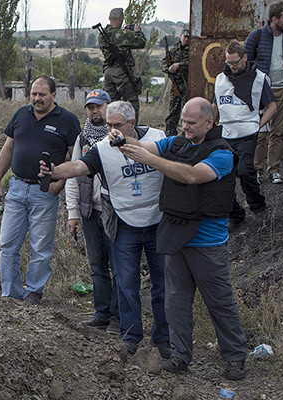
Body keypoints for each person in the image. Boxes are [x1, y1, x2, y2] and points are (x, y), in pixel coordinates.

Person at [114, 97, 248, 381]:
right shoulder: (175, 143)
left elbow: (192, 176)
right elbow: (144, 146)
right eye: (183, 121)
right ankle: (180, 356)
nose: (184, 127)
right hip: (175, 235)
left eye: (191, 122)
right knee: (175, 302)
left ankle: (235, 358)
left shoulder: (222, 154)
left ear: (209, 123)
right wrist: (123, 139)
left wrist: (150, 160)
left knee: (220, 303)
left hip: (208, 243)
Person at [39, 101, 170, 358]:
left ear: (132, 123)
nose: (112, 131)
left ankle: (163, 338)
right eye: (109, 125)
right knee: (126, 282)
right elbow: (79, 166)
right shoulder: (103, 148)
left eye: (117, 125)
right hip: (124, 222)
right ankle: (130, 335)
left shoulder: (157, 139)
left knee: (162, 283)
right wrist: (55, 171)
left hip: (157, 220)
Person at [0, 76, 81, 305]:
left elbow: (76, 158)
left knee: (40, 246)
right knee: (7, 243)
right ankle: (10, 294)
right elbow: (8, 147)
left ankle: (33, 291)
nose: (37, 98)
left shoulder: (67, 121)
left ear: (53, 95)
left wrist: (59, 185)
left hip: (44, 192)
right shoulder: (21, 114)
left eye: (42, 94)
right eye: (33, 94)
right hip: (17, 188)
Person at [66, 89, 120, 334]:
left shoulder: (119, 136)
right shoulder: (82, 138)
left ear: (109, 106)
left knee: (119, 266)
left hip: (115, 212)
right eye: (90, 107)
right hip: (90, 212)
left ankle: (119, 317)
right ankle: (102, 313)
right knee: (97, 265)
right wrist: (72, 213)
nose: (94, 111)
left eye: (99, 106)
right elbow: (72, 175)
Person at [213, 40, 276, 226]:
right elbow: (216, 105)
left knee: (245, 171)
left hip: (247, 132)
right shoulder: (220, 79)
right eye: (229, 63)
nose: (232, 67)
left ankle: (258, 206)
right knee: (222, 176)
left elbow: (272, 106)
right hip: (225, 133)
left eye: (235, 62)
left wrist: (258, 125)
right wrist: (209, 124)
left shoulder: (259, 78)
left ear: (245, 58)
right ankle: (235, 214)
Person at [245, 1, 283, 184]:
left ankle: (274, 170)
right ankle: (256, 170)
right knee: (260, 133)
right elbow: (246, 59)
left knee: (278, 133)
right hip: (263, 93)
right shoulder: (258, 35)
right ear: (275, 19)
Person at [99, 8, 146, 123]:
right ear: (121, 18)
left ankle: (110, 127)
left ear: (109, 19)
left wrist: (124, 32)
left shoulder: (102, 34)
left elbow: (117, 40)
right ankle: (133, 130)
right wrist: (137, 31)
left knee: (111, 105)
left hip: (108, 72)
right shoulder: (122, 34)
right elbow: (141, 42)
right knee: (131, 101)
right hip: (121, 72)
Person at [162, 28, 189, 135]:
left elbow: (194, 63)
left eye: (188, 37)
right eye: (185, 36)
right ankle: (170, 134)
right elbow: (164, 63)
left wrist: (179, 65)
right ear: (181, 35)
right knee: (173, 111)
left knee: (187, 110)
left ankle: (185, 134)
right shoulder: (174, 50)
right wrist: (168, 69)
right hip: (176, 85)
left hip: (187, 85)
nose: (186, 39)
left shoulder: (193, 50)